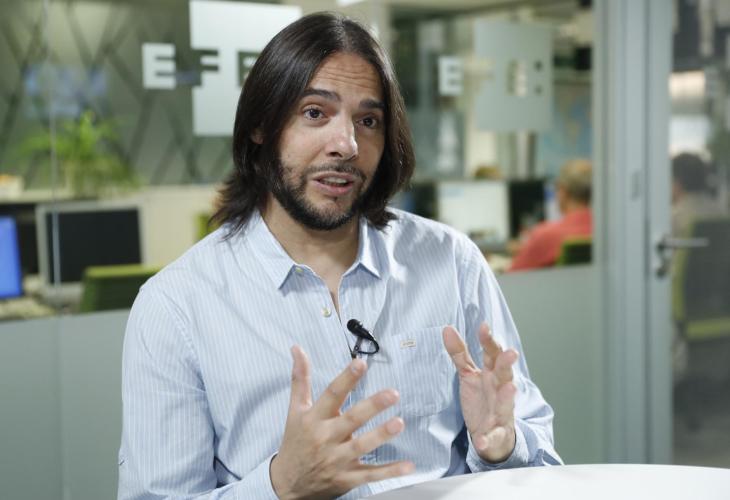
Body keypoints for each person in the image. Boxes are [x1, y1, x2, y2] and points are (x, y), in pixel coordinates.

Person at [118, 12, 561, 500]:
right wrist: (280, 486)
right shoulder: (176, 305)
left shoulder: (451, 262)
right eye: (315, 113)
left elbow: (540, 456)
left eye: (368, 121)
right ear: (261, 125)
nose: (347, 145)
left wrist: (501, 447)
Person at [509, 159, 592, 271]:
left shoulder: (546, 235)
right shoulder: (607, 233)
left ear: (563, 191)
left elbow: (511, 276)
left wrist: (530, 248)